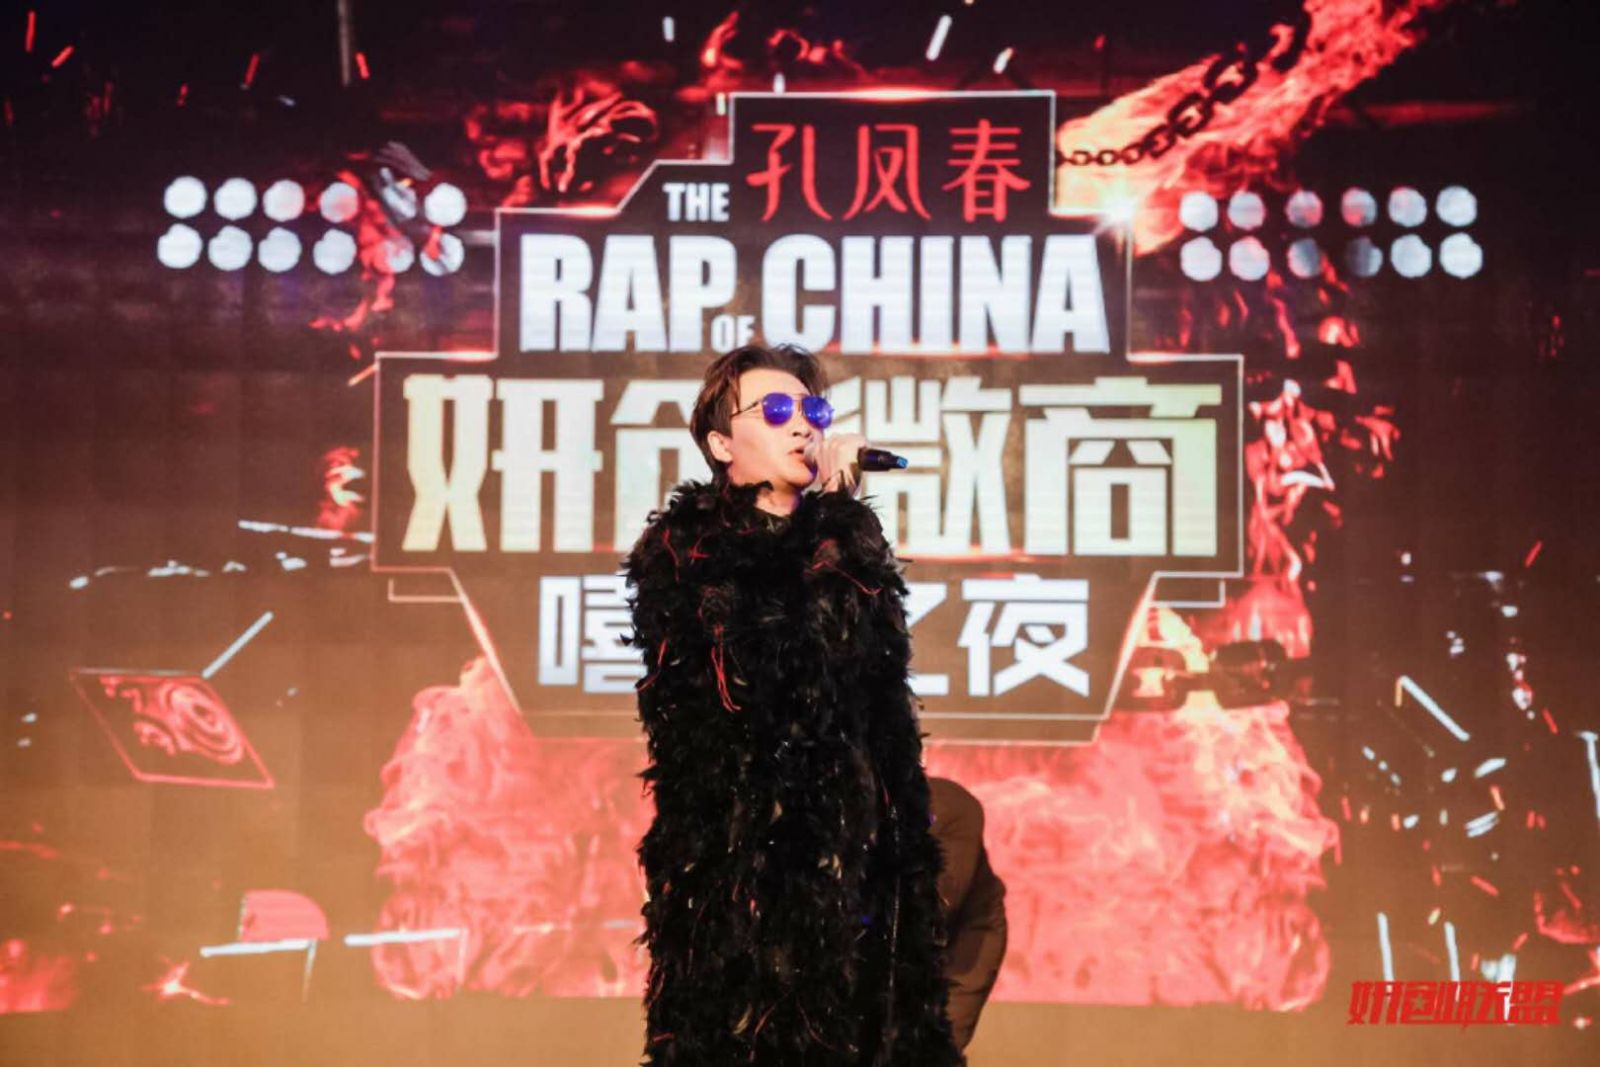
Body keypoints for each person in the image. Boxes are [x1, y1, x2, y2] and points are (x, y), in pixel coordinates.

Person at [624, 343, 965, 1066]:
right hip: (748, 890)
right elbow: (779, 677)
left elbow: (875, 696)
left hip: (861, 878)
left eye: (812, 409)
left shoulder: (842, 544)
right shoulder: (683, 553)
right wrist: (838, 521)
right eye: (776, 410)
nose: (804, 426)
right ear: (721, 443)